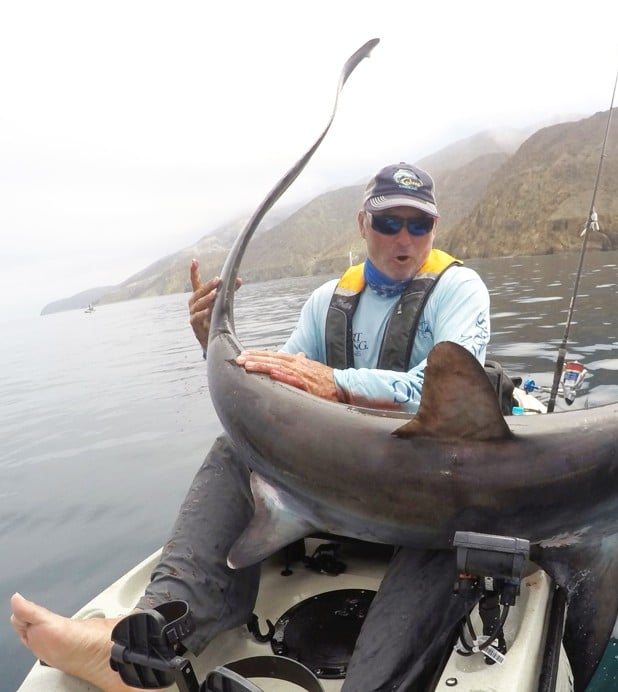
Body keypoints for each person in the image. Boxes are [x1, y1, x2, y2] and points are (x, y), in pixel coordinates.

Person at [10, 162, 493, 691]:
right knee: (236, 447)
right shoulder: (325, 302)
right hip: (333, 498)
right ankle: (149, 633)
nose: (404, 239)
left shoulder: (459, 290)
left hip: (421, 504)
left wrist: (338, 383)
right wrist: (212, 342)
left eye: (418, 225)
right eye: (389, 223)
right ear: (363, 225)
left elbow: (441, 391)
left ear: (434, 228)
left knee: (466, 525)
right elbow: (273, 399)